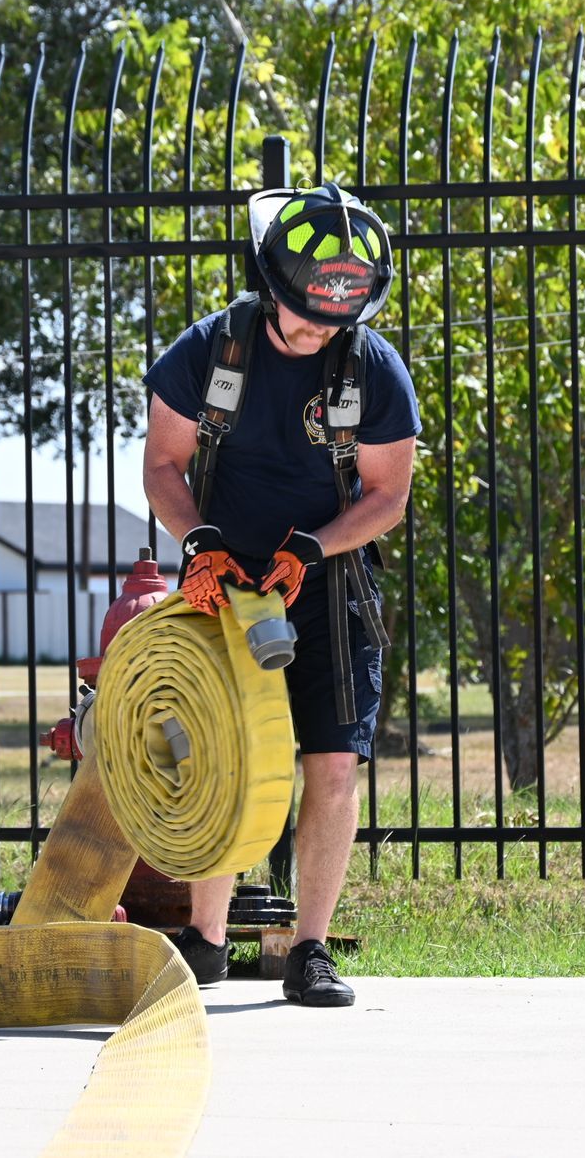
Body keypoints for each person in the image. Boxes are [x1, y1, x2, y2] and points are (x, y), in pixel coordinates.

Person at [141, 181, 419, 1007]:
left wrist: (313, 547)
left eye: (338, 318)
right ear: (271, 285)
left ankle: (310, 951)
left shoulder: (372, 367)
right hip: (222, 583)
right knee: (227, 757)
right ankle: (208, 940)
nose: (319, 331)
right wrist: (200, 542)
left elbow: (387, 496)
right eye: (304, 316)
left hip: (328, 590)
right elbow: (163, 466)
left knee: (331, 767)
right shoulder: (210, 352)